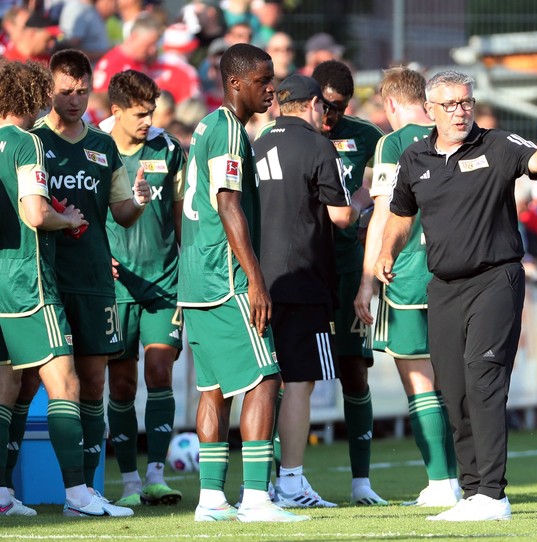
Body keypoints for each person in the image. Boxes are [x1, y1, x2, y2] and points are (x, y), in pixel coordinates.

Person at [375, 70, 537, 521]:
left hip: (495, 279)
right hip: (442, 287)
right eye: (451, 105)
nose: (461, 112)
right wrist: (386, 250)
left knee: (483, 379)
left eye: (466, 102)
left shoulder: (495, 145)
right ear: (431, 110)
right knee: (453, 391)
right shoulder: (414, 157)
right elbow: (401, 212)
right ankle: (473, 491)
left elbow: (535, 165)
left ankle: (494, 495)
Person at [7, 50, 151, 516]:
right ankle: (28, 489)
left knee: (92, 384)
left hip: (91, 278)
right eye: (64, 92)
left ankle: (87, 489)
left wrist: (141, 200)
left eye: (81, 91)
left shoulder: (103, 146)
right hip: (43, 280)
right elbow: (33, 211)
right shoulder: (32, 139)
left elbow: (122, 214)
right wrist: (63, 221)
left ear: (92, 88)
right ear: (46, 90)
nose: (74, 100)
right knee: (26, 386)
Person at [177, 42, 306, 523]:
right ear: (236, 82)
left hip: (193, 276)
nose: (272, 87)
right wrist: (255, 280)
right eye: (263, 78)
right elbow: (228, 204)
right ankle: (256, 498)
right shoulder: (229, 130)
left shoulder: (206, 125)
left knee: (212, 388)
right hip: (224, 276)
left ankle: (211, 499)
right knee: (265, 377)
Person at [254, 73, 368, 509]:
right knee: (300, 382)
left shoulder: (256, 143)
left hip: (259, 280)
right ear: (313, 105)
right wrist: (360, 204)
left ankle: (256, 483)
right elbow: (340, 217)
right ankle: (291, 482)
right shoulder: (318, 144)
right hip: (303, 276)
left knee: (263, 382)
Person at [353, 66, 460, 508]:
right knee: (455, 384)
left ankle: (440, 483)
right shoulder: (455, 131)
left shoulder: (392, 143)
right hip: (457, 274)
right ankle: (468, 480)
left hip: (408, 275)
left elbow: (382, 214)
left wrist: (365, 283)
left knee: (419, 383)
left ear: (391, 103)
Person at [100, 69, 186, 507]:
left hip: (164, 282)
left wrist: (187, 268)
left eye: (151, 111)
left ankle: (156, 475)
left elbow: (180, 214)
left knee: (159, 374)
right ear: (114, 111)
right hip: (114, 286)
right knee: (121, 386)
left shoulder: (168, 148)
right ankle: (128, 480)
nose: (147, 120)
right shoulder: (95, 148)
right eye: (138, 113)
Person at [311, 59, 385, 506]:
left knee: (354, 372)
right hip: (301, 267)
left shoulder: (367, 137)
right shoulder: (285, 134)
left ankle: (361, 482)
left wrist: (358, 202)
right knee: (288, 375)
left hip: (346, 265)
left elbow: (380, 192)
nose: (331, 115)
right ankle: (284, 480)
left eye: (338, 107)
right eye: (325, 105)